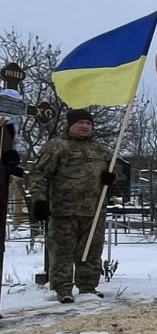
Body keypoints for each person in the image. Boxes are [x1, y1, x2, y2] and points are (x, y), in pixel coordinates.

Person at [26, 108, 114, 303]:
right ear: (71, 125)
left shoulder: (102, 150)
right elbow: (39, 174)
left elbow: (116, 174)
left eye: (88, 123)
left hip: (94, 211)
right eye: (81, 123)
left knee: (91, 251)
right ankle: (63, 289)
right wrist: (39, 199)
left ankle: (88, 288)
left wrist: (112, 179)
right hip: (64, 210)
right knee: (62, 251)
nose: (85, 126)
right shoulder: (57, 147)